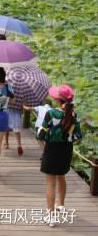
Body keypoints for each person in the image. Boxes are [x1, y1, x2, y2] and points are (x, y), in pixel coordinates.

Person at [37, 85, 82, 227]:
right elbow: (78, 137)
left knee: (50, 182)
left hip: (52, 149)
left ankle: (51, 216)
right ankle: (61, 205)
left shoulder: (51, 113)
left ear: (57, 99)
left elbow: (41, 134)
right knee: (61, 176)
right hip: (66, 149)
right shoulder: (73, 114)